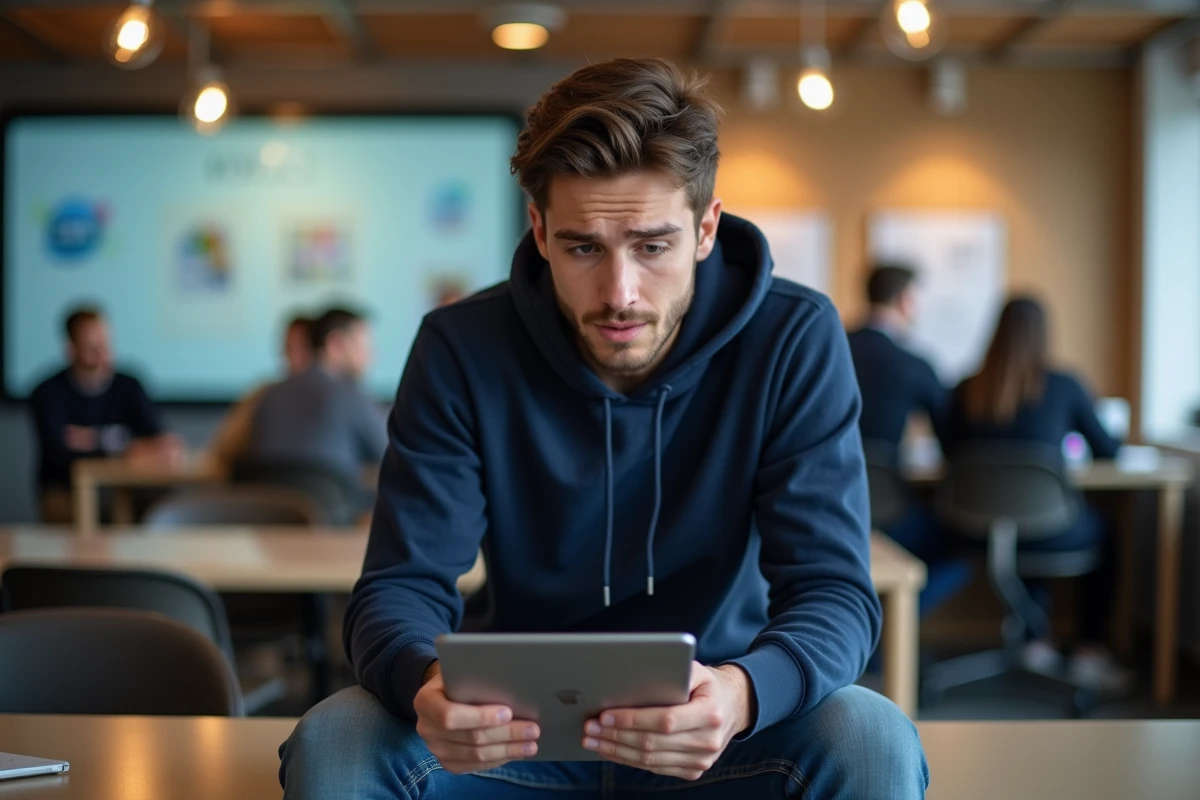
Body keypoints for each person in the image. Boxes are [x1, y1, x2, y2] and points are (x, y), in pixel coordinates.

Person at [278, 58, 927, 799]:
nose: (620, 294)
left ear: (706, 228)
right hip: (512, 734)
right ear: (540, 229)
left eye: (652, 246)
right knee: (337, 736)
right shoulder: (461, 347)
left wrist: (743, 694)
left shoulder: (793, 337)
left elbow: (834, 593)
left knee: (871, 737)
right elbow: (400, 586)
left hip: (715, 732)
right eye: (584, 247)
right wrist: (425, 680)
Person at [944, 296, 1128, 693]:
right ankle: (1089, 647)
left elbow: (950, 453)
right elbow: (1110, 452)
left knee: (1022, 530)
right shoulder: (1064, 385)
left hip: (974, 529)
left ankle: (1034, 637)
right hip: (1049, 528)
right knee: (1103, 531)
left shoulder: (965, 389)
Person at [848, 264, 965, 617]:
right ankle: (889, 630)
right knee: (963, 548)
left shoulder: (828, 347)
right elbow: (952, 438)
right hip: (887, 506)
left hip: (820, 504)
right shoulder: (912, 363)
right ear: (905, 299)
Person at [29, 305, 182, 523]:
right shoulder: (48, 393)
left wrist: (97, 439)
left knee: (143, 510)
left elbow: (159, 439)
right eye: (92, 347)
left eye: (106, 345)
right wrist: (128, 445)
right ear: (71, 349)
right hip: (67, 489)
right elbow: (60, 455)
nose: (103, 355)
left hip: (123, 487)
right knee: (70, 516)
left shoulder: (128, 385)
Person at [242, 307, 386, 495]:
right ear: (336, 344)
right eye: (364, 345)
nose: (371, 356)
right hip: (330, 518)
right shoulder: (349, 394)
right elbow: (389, 453)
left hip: (265, 513)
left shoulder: (267, 394)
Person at [847, 263, 947, 452]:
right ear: (904, 300)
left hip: (830, 476)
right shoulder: (913, 364)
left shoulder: (833, 350)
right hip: (887, 478)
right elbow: (948, 430)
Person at [208, 314, 314, 474]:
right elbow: (223, 450)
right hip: (265, 492)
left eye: (302, 348)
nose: (293, 357)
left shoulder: (338, 400)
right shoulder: (263, 395)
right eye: (289, 348)